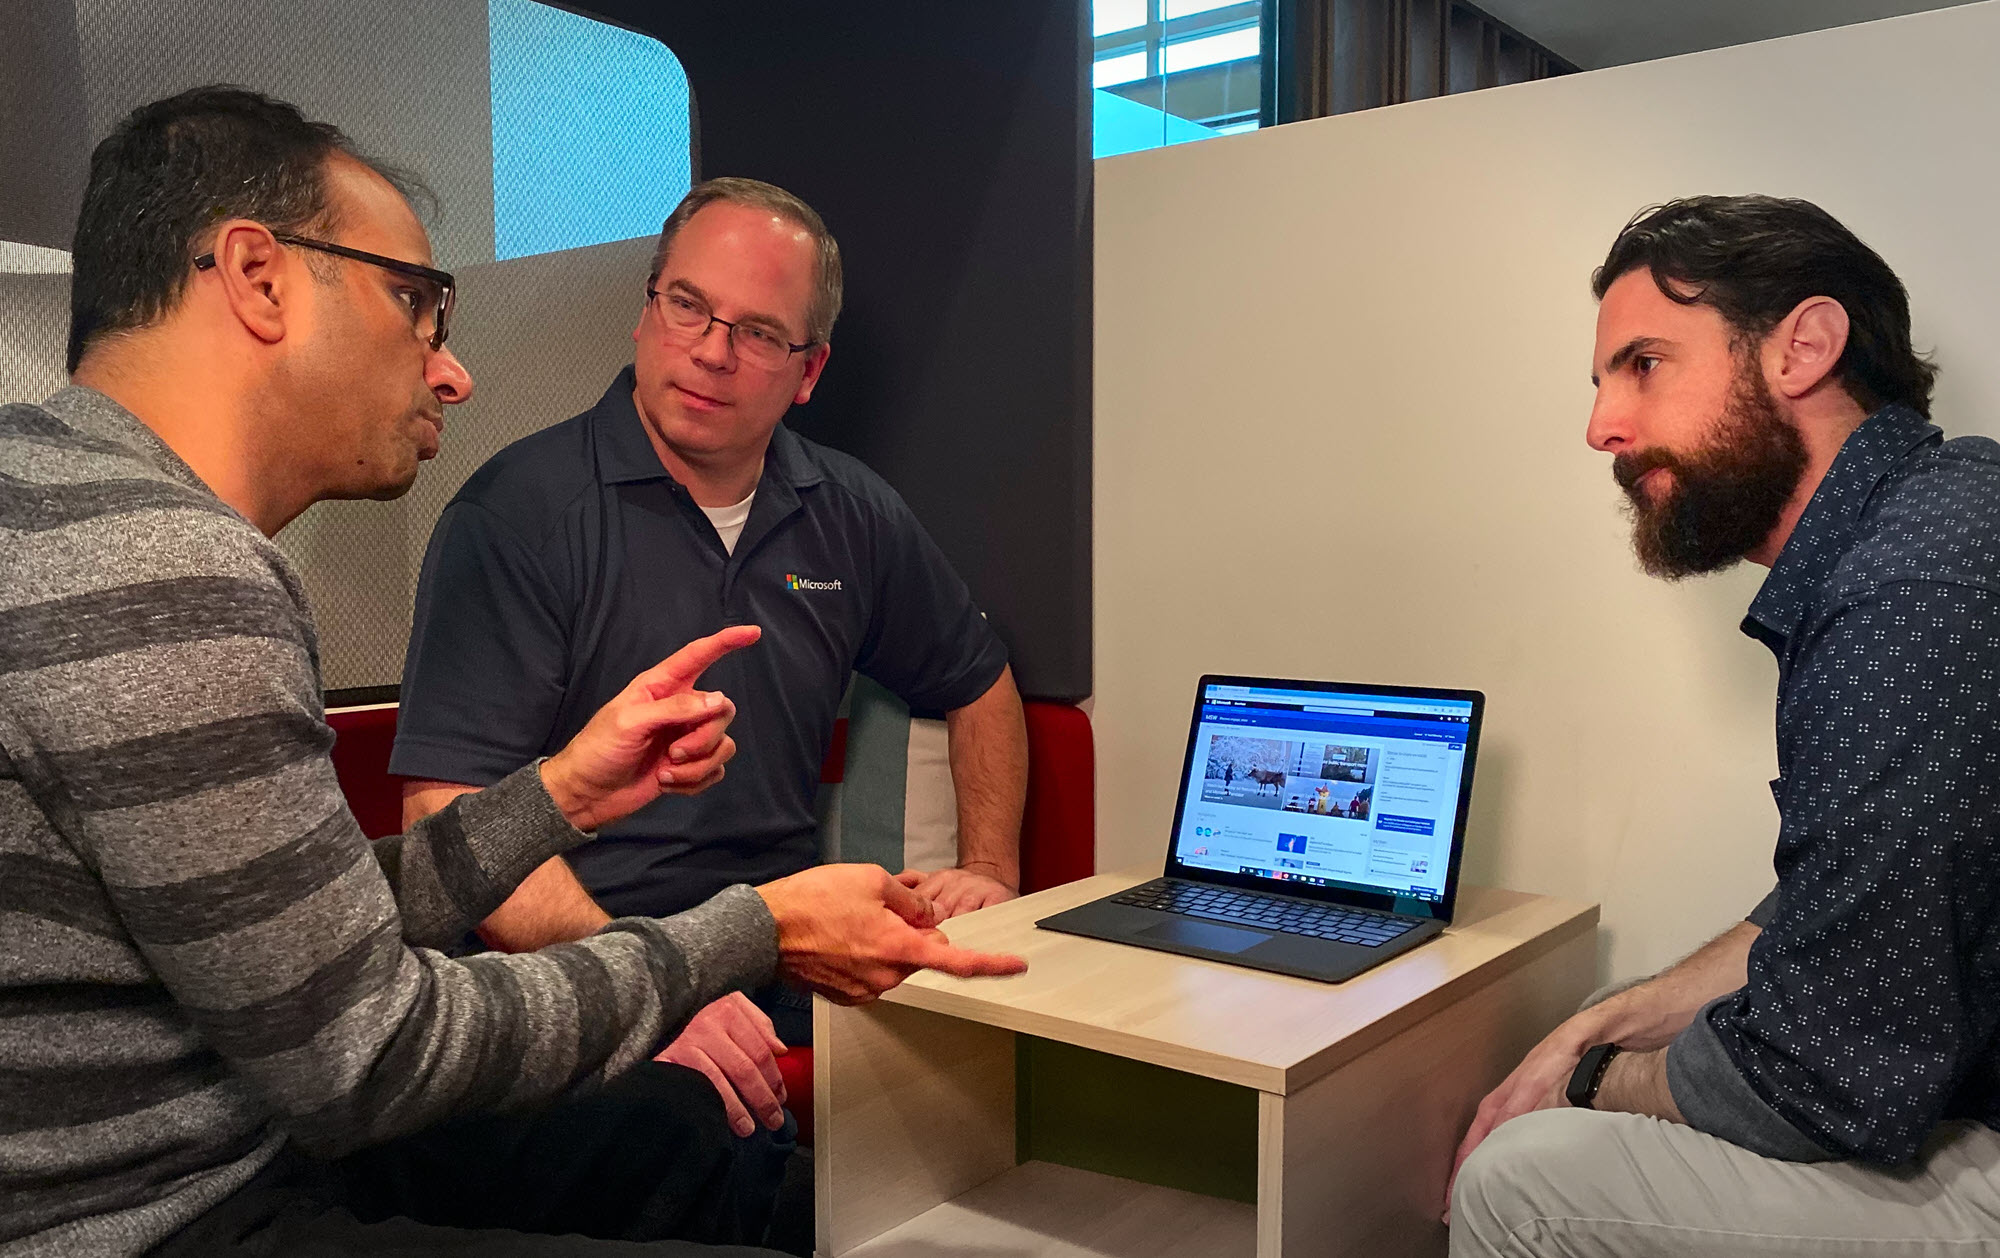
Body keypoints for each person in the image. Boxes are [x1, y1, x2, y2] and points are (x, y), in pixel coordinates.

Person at [0, 86, 1025, 1258]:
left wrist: (565, 792)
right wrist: (740, 938)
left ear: (804, 369)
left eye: (755, 330)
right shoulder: (167, 570)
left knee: (686, 1149)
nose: (451, 373)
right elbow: (367, 1054)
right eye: (416, 302)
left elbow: (299, 944)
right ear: (256, 276)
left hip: (253, 1124)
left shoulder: (72, 503)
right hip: (162, 1214)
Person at [390, 177, 1029, 1135]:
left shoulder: (852, 516)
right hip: (577, 968)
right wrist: (647, 998)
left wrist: (992, 869)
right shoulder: (516, 515)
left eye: (760, 332)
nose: (713, 351)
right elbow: (448, 815)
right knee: (691, 1126)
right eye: (687, 306)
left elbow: (979, 680)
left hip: (792, 951)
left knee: (1014, 1048)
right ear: (648, 312)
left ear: (808, 372)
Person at [1445, 195, 2000, 1256]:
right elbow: (1824, 903)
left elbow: (1820, 1077)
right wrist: (1598, 1025)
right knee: (1616, 1006)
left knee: (1520, 1179)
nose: (1600, 426)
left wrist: (1585, 1078)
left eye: (1643, 363)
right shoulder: (1928, 516)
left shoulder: (1910, 590)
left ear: (1802, 346)